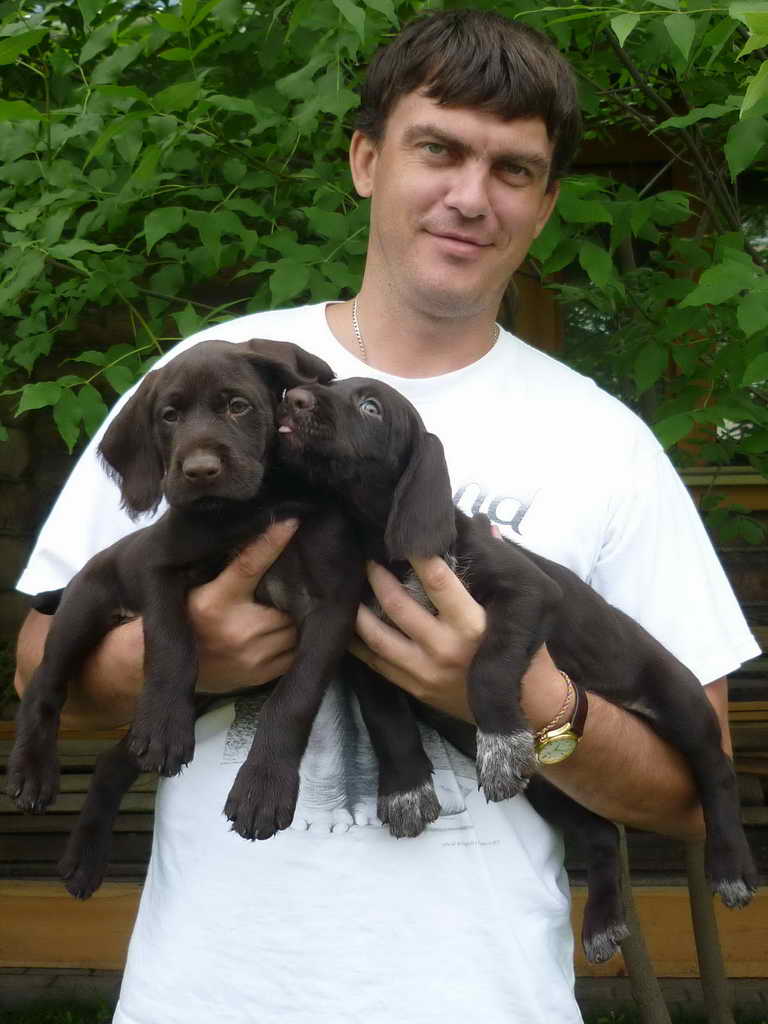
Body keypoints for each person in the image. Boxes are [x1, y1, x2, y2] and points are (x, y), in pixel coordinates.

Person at [15, 10, 759, 1023]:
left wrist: (529, 704)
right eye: (439, 149)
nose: (471, 197)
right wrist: (182, 654)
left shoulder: (608, 444)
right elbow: (38, 665)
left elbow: (693, 787)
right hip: (206, 997)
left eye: (513, 169)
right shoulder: (210, 385)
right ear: (367, 159)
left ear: (545, 203)